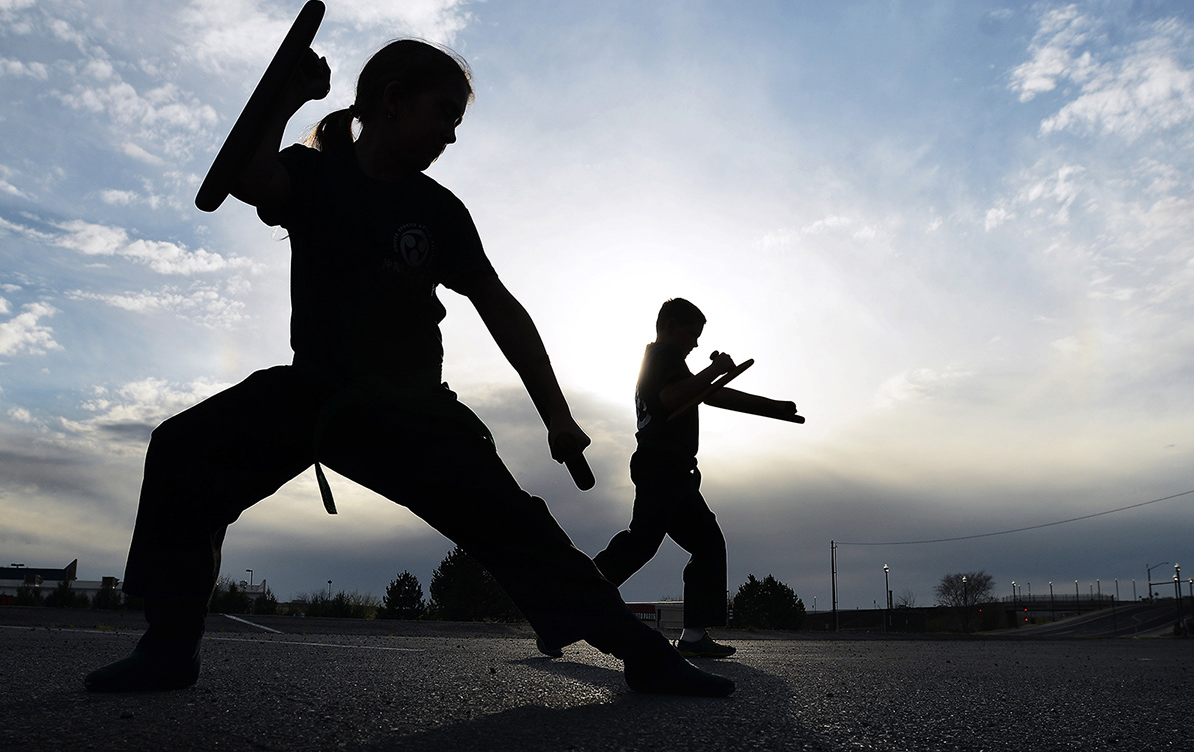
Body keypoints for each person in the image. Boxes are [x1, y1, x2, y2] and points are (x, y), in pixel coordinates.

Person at [83, 39, 733, 697]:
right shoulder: (315, 177)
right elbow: (250, 179)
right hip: (316, 392)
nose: (452, 134)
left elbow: (502, 309)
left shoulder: (439, 212)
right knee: (182, 450)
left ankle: (645, 655)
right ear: (393, 100)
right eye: (444, 113)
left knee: (522, 529)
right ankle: (168, 647)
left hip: (414, 411)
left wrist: (557, 416)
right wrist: (286, 95)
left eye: (459, 120)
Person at [564, 298, 798, 658]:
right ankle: (564, 611)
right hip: (662, 467)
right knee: (642, 543)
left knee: (705, 543)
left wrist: (773, 407)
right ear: (671, 326)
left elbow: (712, 396)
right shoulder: (662, 357)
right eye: (693, 333)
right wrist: (715, 369)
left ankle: (692, 636)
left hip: (675, 471)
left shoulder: (661, 362)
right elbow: (673, 398)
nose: (696, 344)